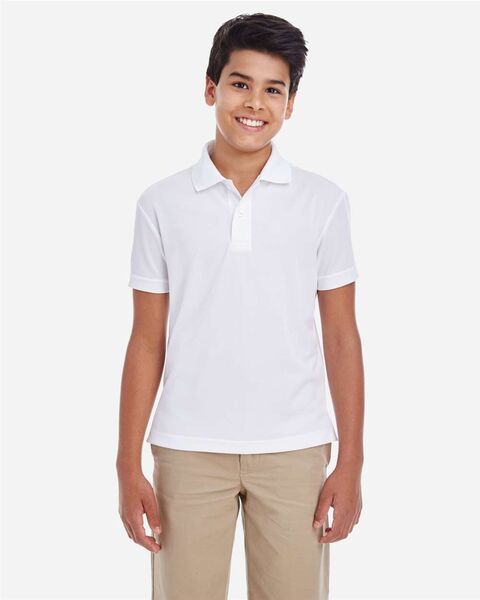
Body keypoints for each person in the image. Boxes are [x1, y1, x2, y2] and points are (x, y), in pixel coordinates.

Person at [117, 12, 364, 600]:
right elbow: (147, 340)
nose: (254, 102)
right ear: (211, 89)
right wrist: (127, 465)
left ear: (291, 103)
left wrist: (351, 462)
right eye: (239, 83)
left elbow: (341, 336)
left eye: (273, 89)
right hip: (187, 448)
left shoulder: (323, 202)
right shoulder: (161, 203)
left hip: (295, 448)